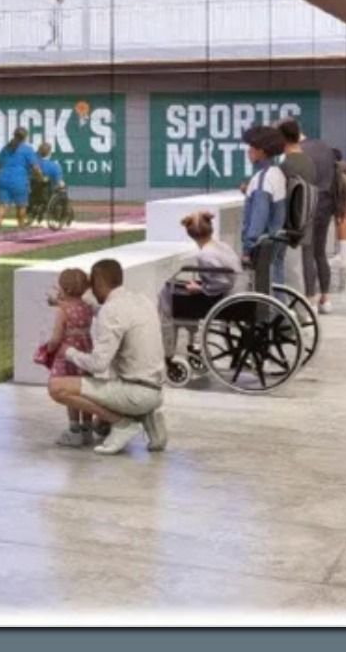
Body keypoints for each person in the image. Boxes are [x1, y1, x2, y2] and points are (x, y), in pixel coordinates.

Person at [47, 259, 168, 456]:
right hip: (155, 389)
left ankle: (123, 423)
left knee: (57, 387)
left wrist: (68, 352)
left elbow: (98, 364)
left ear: (100, 282)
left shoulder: (111, 311)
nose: (91, 291)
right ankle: (146, 416)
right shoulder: (142, 300)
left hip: (133, 392)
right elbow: (97, 309)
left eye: (92, 285)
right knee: (99, 426)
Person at [159, 210, 243, 355]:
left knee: (166, 295)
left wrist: (200, 289)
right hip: (234, 290)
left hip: (223, 297)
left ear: (190, 234)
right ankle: (189, 334)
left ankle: (168, 351)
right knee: (175, 289)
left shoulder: (205, 255)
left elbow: (222, 283)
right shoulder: (222, 246)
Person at [278, 119, 336, 310]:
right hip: (327, 204)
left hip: (307, 205)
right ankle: (326, 297)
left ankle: (310, 297)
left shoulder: (296, 156)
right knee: (320, 252)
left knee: (306, 252)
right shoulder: (324, 146)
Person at [40, 268, 99, 446]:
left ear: (64, 288)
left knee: (69, 391)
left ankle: (74, 431)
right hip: (86, 351)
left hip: (68, 355)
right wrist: (59, 301)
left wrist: (49, 349)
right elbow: (71, 303)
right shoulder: (87, 307)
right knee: (85, 390)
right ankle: (87, 431)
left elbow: (57, 337)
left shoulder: (63, 311)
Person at [239, 125, 289, 289]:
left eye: (251, 148)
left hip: (263, 247)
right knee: (277, 284)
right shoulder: (277, 173)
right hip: (277, 241)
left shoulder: (262, 179)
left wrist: (247, 249)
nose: (248, 152)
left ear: (260, 151)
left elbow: (258, 219)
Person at [0, 127, 42, 238]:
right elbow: (35, 167)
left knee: (2, 205)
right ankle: (20, 229)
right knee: (21, 206)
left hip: (3, 178)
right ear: (25, 137)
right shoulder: (27, 149)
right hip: (19, 180)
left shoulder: (5, 148)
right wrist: (40, 176)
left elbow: (0, 165)